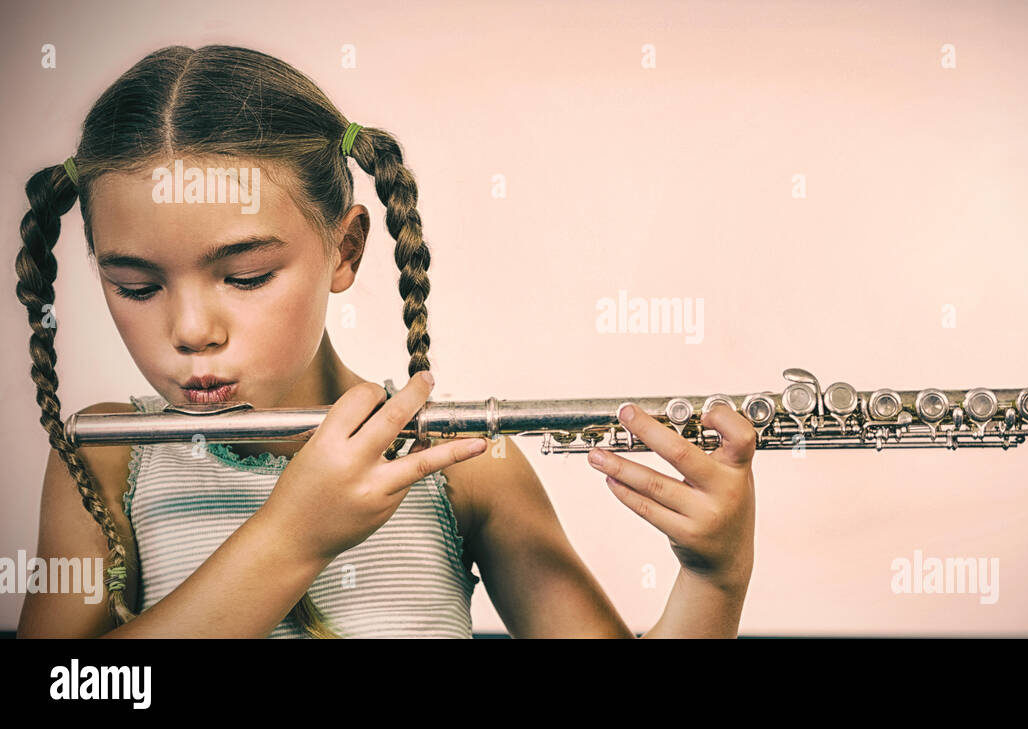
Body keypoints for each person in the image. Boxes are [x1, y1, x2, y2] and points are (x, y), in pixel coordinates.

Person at [15, 45, 756, 638]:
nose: (190, 332)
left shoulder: (469, 468)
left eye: (245, 276)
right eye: (137, 287)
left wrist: (713, 580)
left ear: (344, 251)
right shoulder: (108, 457)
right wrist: (291, 536)